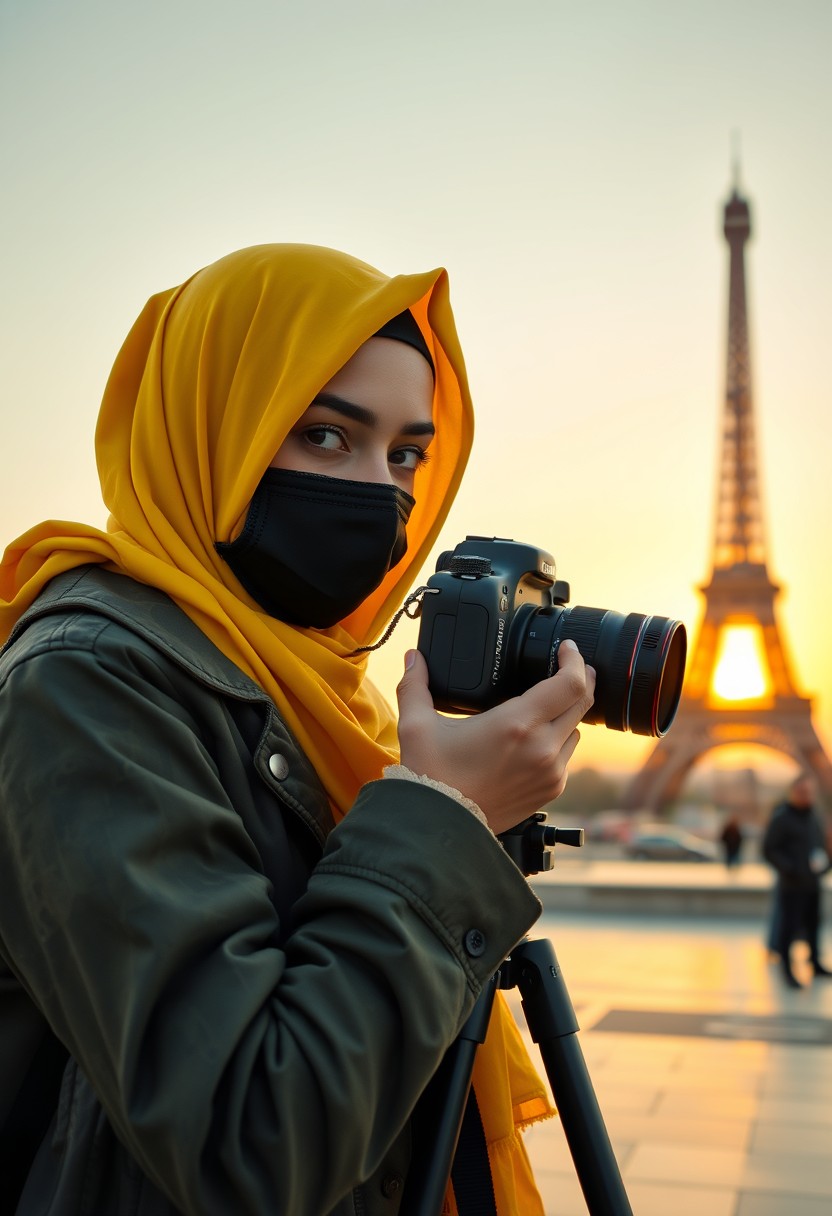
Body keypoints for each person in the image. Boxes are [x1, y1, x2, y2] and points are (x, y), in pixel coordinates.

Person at [0, 244, 595, 1216]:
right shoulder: (87, 683)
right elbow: (249, 1142)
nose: (380, 492)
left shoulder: (329, 692)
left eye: (406, 454)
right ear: (210, 429)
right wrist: (443, 818)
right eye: (325, 436)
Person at [762, 773, 832, 989]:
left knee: (813, 925)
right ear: (793, 793)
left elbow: (820, 845)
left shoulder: (814, 817)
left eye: (809, 792)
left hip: (812, 882)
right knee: (789, 928)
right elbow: (769, 849)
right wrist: (789, 869)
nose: (806, 796)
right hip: (791, 884)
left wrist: (826, 864)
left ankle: (815, 962)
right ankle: (788, 970)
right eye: (802, 792)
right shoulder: (782, 818)